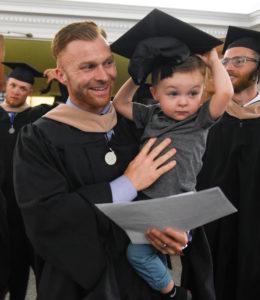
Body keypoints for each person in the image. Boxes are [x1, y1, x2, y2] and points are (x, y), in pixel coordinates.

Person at [13, 12, 216, 300]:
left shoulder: (142, 123)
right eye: (88, 67)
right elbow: (45, 217)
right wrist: (128, 184)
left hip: (144, 283)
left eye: (107, 62)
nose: (104, 75)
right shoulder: (40, 137)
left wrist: (180, 234)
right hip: (81, 286)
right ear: (61, 75)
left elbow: (182, 182)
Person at [112, 13, 233, 300]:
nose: (183, 101)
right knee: (138, 254)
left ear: (202, 93)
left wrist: (214, 61)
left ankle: (173, 294)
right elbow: (119, 103)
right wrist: (135, 77)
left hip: (179, 205)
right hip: (143, 201)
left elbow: (226, 93)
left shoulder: (200, 119)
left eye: (193, 93)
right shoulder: (150, 115)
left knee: (146, 253)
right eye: (173, 93)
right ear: (154, 93)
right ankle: (169, 290)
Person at [196, 26, 260, 300]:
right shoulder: (208, 118)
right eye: (226, 61)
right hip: (213, 229)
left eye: (240, 60)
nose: (230, 66)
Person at [0, 62, 56, 300]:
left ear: (29, 92)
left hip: (26, 208)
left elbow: (73, 109)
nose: (16, 91)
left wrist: (62, 82)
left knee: (27, 265)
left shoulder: (37, 117)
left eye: (23, 88)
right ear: (6, 85)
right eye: (13, 85)